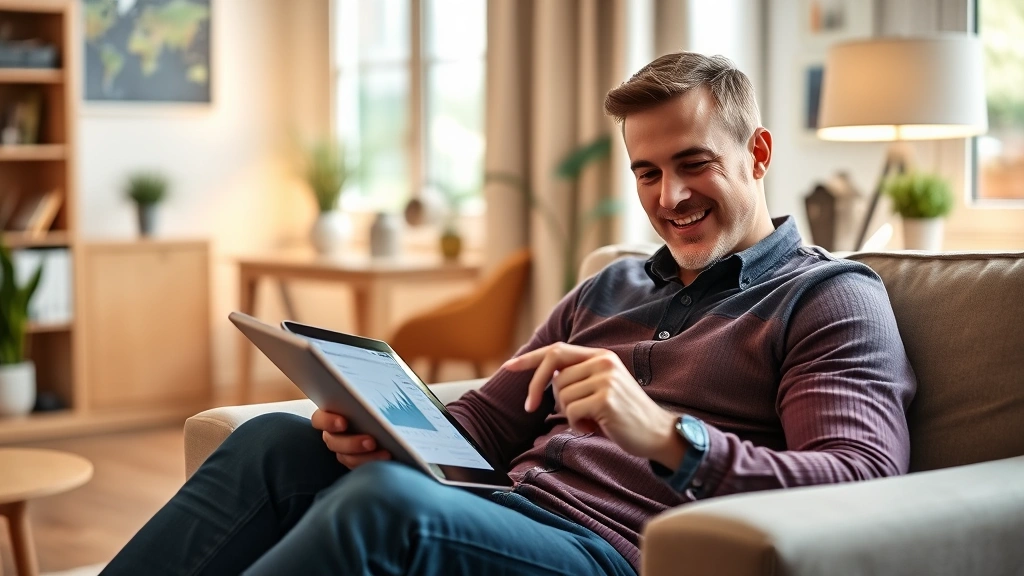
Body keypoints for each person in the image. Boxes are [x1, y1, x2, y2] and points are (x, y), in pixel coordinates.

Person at [101, 51, 915, 576]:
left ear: (759, 153)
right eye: (646, 172)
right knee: (276, 440)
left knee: (387, 511)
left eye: (694, 163)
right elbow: (485, 428)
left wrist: (669, 438)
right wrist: (378, 428)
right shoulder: (610, 288)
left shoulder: (828, 297)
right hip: (501, 512)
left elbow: (860, 481)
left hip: (612, 553)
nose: (670, 197)